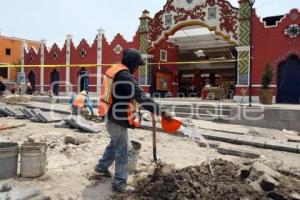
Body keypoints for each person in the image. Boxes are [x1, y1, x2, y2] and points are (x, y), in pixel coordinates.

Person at [95, 48, 171, 193]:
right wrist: (161, 111)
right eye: (137, 66)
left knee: (115, 143)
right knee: (122, 151)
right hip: (115, 118)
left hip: (111, 115)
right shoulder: (124, 75)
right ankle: (119, 183)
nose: (137, 69)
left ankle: (101, 167)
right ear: (132, 64)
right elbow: (141, 96)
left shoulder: (116, 70)